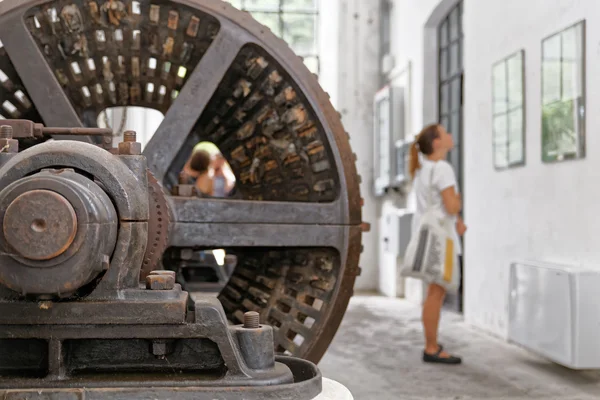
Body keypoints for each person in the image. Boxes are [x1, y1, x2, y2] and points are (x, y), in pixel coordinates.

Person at [409, 123, 467, 365]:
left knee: (433, 292)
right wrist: (459, 203)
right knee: (436, 292)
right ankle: (431, 347)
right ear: (436, 143)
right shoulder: (442, 168)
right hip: (442, 239)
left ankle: (431, 343)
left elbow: (438, 206)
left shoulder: (423, 170)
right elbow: (451, 206)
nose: (451, 135)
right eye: (446, 133)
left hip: (430, 237)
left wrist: (458, 219)